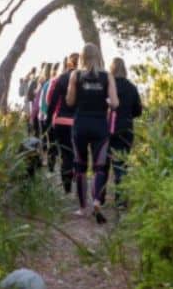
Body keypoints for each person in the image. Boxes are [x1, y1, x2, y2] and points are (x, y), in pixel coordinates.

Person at [66, 43, 118, 223]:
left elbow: (70, 101)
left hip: (80, 124)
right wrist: (104, 100)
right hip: (100, 126)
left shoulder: (75, 75)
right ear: (98, 56)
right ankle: (97, 200)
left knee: (80, 166)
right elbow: (115, 104)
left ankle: (82, 207)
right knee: (100, 166)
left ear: (82, 57)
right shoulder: (107, 76)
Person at [108, 57, 142, 207]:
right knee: (122, 164)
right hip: (127, 129)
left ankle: (101, 197)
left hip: (110, 128)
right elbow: (138, 110)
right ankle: (121, 199)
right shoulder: (132, 87)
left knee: (108, 164)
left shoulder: (108, 86)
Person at [44, 53, 79, 191]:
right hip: (78, 122)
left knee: (65, 154)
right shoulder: (84, 78)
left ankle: (67, 186)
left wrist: (48, 120)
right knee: (77, 152)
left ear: (69, 63)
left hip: (61, 121)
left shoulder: (61, 78)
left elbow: (52, 102)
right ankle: (76, 175)